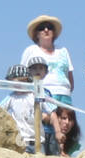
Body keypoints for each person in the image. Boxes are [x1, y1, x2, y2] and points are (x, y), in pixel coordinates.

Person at [20, 14, 72, 148]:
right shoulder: (31, 50)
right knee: (45, 127)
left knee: (65, 126)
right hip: (43, 92)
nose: (46, 30)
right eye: (42, 28)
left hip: (64, 94)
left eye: (49, 27)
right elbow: (23, 75)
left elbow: (69, 74)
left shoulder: (63, 51)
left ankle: (62, 152)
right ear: (36, 34)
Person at [1, 62, 60, 155]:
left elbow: (52, 112)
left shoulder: (36, 92)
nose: (12, 84)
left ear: (25, 80)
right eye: (10, 81)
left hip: (38, 142)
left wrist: (58, 132)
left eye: (14, 81)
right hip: (20, 141)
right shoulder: (11, 97)